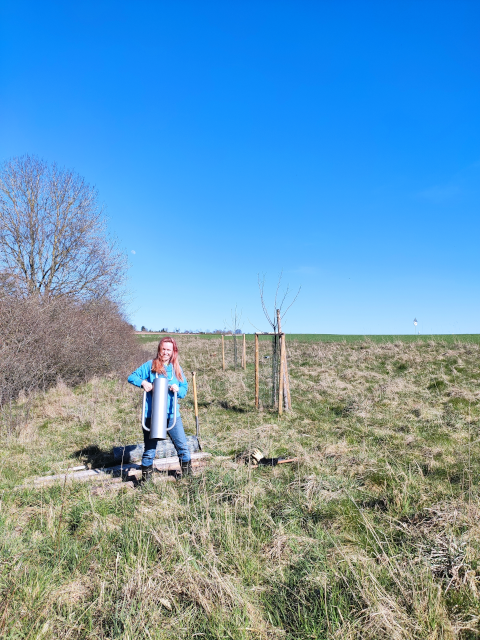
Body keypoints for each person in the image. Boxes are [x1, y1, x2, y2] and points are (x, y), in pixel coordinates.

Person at [128, 336, 192, 481]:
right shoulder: (150, 365)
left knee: (183, 448)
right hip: (152, 415)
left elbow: (184, 388)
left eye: (169, 349)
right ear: (159, 349)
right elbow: (132, 377)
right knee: (149, 451)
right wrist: (143, 382)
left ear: (173, 351)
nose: (165, 352)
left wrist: (178, 389)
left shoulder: (176, 368)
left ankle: (188, 479)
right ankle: (146, 483)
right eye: (163, 349)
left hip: (171, 415)